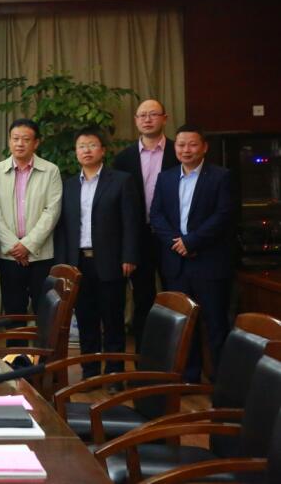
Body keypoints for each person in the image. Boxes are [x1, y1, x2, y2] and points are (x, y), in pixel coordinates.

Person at [55, 128, 141, 382]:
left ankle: (114, 374)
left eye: (92, 145)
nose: (87, 150)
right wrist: (65, 265)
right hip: (79, 262)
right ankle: (90, 372)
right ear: (76, 152)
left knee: (113, 320)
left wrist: (129, 256)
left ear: (103, 150)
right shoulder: (69, 185)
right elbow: (63, 228)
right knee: (86, 320)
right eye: (82, 146)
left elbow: (131, 222)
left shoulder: (121, 181)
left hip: (111, 261)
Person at [150, 125, 233, 383]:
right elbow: (156, 215)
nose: (186, 150)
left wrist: (192, 241)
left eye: (192, 144)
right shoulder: (165, 178)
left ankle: (222, 383)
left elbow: (224, 215)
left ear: (204, 147)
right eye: (181, 145)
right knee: (185, 324)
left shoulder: (221, 177)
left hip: (209, 263)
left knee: (215, 324)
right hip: (176, 264)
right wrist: (176, 243)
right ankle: (189, 377)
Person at [112, 99, 180, 350]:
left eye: (153, 114)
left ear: (165, 118)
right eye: (142, 115)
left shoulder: (178, 152)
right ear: (136, 121)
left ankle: (176, 356)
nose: (148, 119)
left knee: (176, 297)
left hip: (173, 237)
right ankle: (144, 356)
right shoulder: (123, 159)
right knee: (143, 298)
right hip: (138, 237)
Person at [0, 119, 62, 314]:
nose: (20, 144)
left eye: (26, 139)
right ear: (9, 141)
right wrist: (15, 246)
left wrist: (28, 245)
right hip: (9, 255)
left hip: (40, 254)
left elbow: (52, 211)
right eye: (15, 138)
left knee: (44, 310)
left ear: (36, 143)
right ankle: (15, 338)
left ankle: (41, 338)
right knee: (13, 310)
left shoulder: (51, 171)